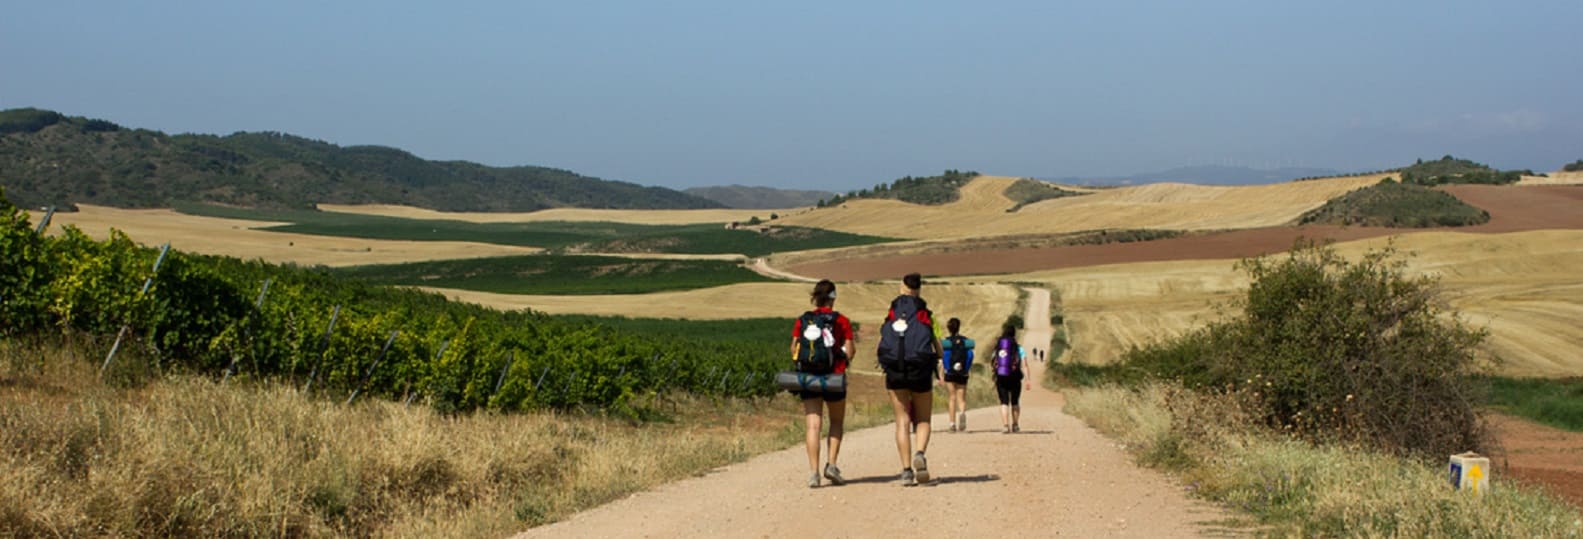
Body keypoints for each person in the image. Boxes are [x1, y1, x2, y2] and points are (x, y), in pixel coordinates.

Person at [789, 279, 854, 488]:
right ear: (833, 297)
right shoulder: (842, 321)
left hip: (809, 378)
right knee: (836, 421)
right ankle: (832, 465)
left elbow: (793, 350)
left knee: (813, 425)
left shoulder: (803, 320)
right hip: (834, 377)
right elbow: (850, 350)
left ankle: (813, 473)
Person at [879, 272, 942, 486]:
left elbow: (884, 340)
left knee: (902, 421)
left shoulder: (893, 311)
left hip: (895, 370)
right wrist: (939, 358)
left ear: (901, 286)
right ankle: (920, 453)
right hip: (920, 370)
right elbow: (937, 346)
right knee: (923, 419)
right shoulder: (925, 313)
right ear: (919, 288)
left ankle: (906, 470)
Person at [991, 324, 1031, 433]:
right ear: (1014, 334)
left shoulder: (998, 348)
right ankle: (1015, 424)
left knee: (1004, 402)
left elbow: (993, 362)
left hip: (1001, 377)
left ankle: (1005, 425)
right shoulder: (1019, 348)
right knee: (1015, 402)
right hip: (1015, 377)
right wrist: (1028, 379)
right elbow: (1025, 365)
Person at [938, 318, 974, 433]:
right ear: (959, 327)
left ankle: (952, 424)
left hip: (950, 373)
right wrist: (966, 369)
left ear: (949, 329)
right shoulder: (965, 342)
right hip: (962, 372)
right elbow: (970, 355)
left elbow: (945, 358)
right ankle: (962, 414)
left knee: (952, 398)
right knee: (961, 398)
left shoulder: (947, 343)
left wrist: (942, 373)